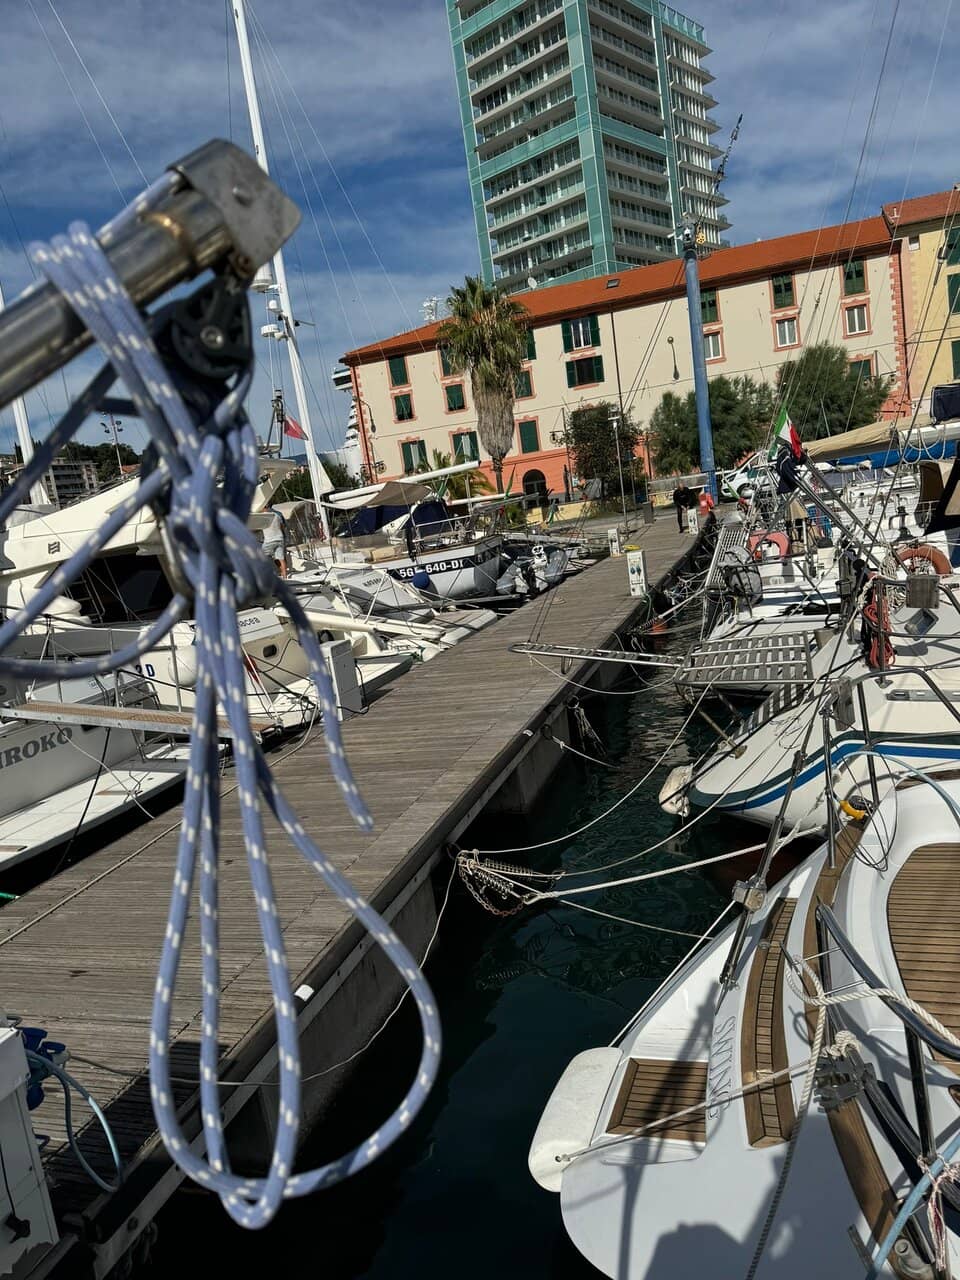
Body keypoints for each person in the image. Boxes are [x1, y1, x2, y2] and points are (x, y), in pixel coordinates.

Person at [262, 504, 287, 579]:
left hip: (269, 540)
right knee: (281, 558)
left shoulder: (262, 516)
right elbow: (282, 526)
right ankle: (285, 576)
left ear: (265, 507)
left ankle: (267, 576)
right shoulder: (277, 515)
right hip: (280, 538)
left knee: (260, 556)